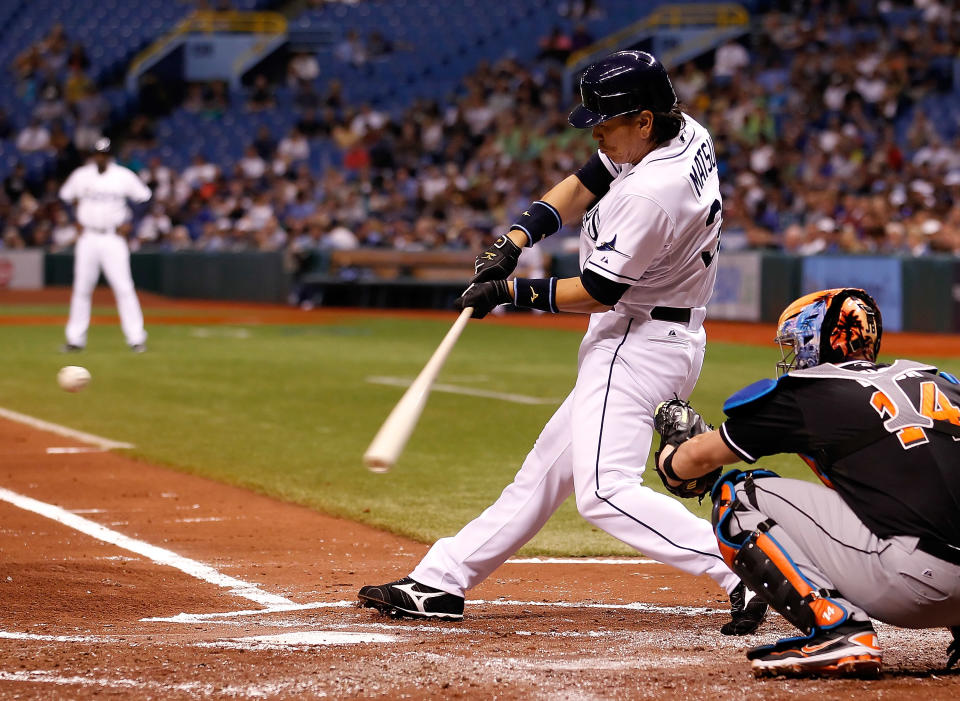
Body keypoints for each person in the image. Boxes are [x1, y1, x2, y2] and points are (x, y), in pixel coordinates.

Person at [358, 51, 767, 634]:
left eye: (607, 122)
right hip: (649, 331)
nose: (597, 132)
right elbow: (588, 179)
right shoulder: (681, 132)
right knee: (545, 473)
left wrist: (510, 292)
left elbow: (599, 290)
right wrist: (520, 234)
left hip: (637, 337)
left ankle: (744, 567)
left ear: (644, 120)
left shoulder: (654, 192)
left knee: (603, 491)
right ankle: (440, 581)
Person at [651, 288, 960, 677]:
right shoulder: (940, 381)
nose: (793, 355)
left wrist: (671, 459)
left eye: (796, 344)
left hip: (914, 588)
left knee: (739, 495)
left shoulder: (813, 391)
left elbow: (693, 461)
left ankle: (837, 630)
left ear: (820, 340)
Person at [60, 138, 152, 352]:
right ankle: (75, 340)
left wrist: (132, 224)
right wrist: (73, 219)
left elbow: (145, 199)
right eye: (98, 153)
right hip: (88, 238)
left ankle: (136, 338)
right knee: (82, 289)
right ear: (93, 155)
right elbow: (65, 198)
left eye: (105, 153)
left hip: (113, 238)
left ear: (110, 155)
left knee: (124, 287)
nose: (101, 157)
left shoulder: (123, 176)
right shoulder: (81, 176)